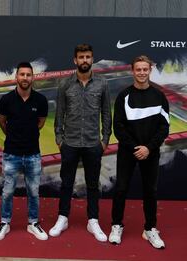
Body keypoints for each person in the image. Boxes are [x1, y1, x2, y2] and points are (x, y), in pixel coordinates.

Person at [51, 43, 112, 242]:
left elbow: (106, 114)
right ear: (74, 60)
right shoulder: (64, 84)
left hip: (93, 143)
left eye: (88, 57)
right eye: (81, 57)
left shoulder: (102, 84)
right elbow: (59, 114)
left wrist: (104, 140)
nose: (84, 60)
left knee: (93, 185)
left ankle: (93, 220)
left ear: (92, 59)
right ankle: (63, 217)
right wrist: (59, 140)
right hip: (70, 143)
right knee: (66, 183)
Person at [109, 55, 169, 249]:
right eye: (138, 69)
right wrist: (136, 147)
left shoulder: (159, 96)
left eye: (145, 69)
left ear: (150, 70)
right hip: (128, 152)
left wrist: (148, 148)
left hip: (150, 152)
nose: (142, 73)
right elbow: (118, 127)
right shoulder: (123, 96)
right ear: (132, 71)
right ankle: (116, 225)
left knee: (150, 191)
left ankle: (150, 228)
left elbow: (163, 127)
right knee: (121, 189)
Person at [0, 62, 49, 241]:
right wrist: (13, 135)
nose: (25, 78)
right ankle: (5, 222)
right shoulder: (7, 100)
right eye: (22, 74)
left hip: (33, 154)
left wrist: (29, 134)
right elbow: (2, 121)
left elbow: (40, 122)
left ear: (33, 77)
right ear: (16, 77)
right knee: (7, 191)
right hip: (11, 154)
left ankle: (33, 223)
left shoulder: (40, 100)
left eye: (28, 75)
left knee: (33, 191)